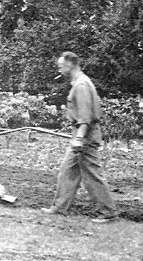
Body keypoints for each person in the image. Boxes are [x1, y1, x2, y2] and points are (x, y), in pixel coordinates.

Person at [41, 51, 118, 223]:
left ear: (70, 65)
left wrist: (79, 138)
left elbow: (85, 116)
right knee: (67, 171)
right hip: (82, 135)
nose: (59, 69)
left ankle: (108, 212)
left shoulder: (81, 85)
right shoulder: (79, 83)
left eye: (61, 66)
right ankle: (59, 207)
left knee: (92, 174)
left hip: (85, 137)